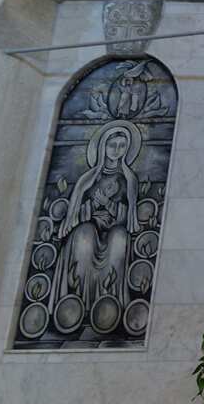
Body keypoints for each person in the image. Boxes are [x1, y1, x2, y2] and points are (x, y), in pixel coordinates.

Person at [51, 123, 140, 326]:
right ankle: (79, 303)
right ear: (102, 147)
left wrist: (108, 204)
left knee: (120, 239)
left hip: (115, 228)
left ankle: (111, 304)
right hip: (89, 227)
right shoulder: (87, 179)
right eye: (112, 145)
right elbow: (75, 215)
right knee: (84, 236)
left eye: (122, 145)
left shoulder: (129, 179)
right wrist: (92, 206)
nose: (117, 150)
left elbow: (131, 219)